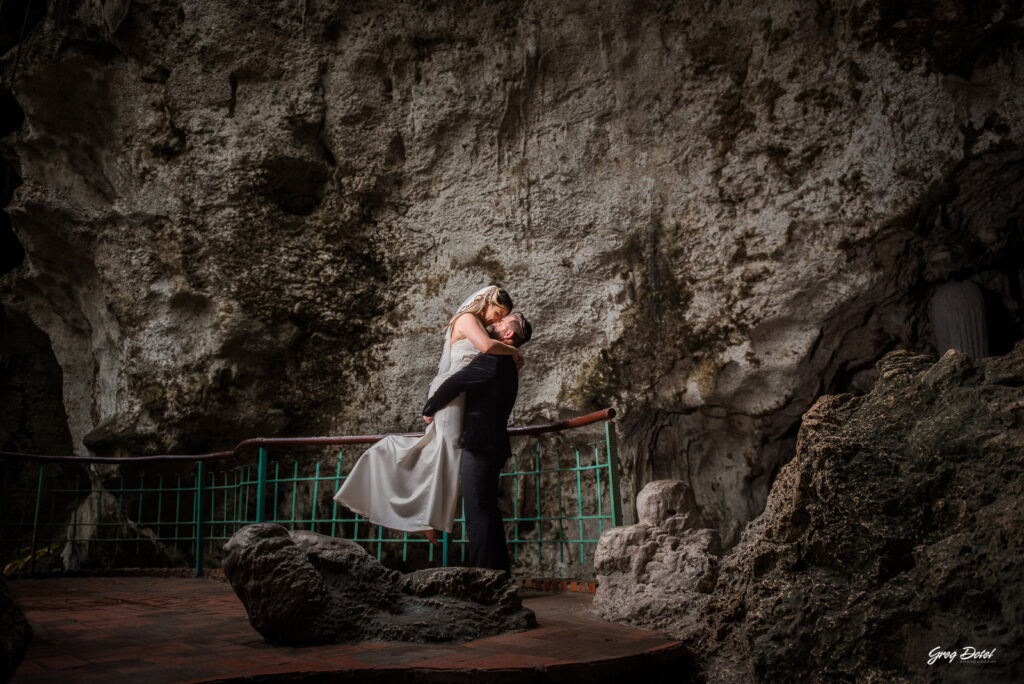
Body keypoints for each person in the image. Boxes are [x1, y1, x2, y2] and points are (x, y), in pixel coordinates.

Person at [333, 286, 520, 546]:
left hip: (461, 394)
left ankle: (427, 517)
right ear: (486, 302)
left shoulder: (479, 324)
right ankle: (388, 464)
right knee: (444, 448)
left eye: (501, 318)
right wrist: (514, 352)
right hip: (450, 390)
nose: (496, 320)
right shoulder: (467, 319)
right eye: (497, 313)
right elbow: (486, 347)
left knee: (447, 450)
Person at [421, 312, 533, 576]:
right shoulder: (504, 361)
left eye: (502, 322)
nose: (495, 322)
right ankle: (498, 575)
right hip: (489, 444)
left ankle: (485, 577)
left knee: (478, 514)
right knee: (487, 513)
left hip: (480, 445)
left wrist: (429, 408)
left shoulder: (496, 359)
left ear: (509, 335)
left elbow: (457, 382)